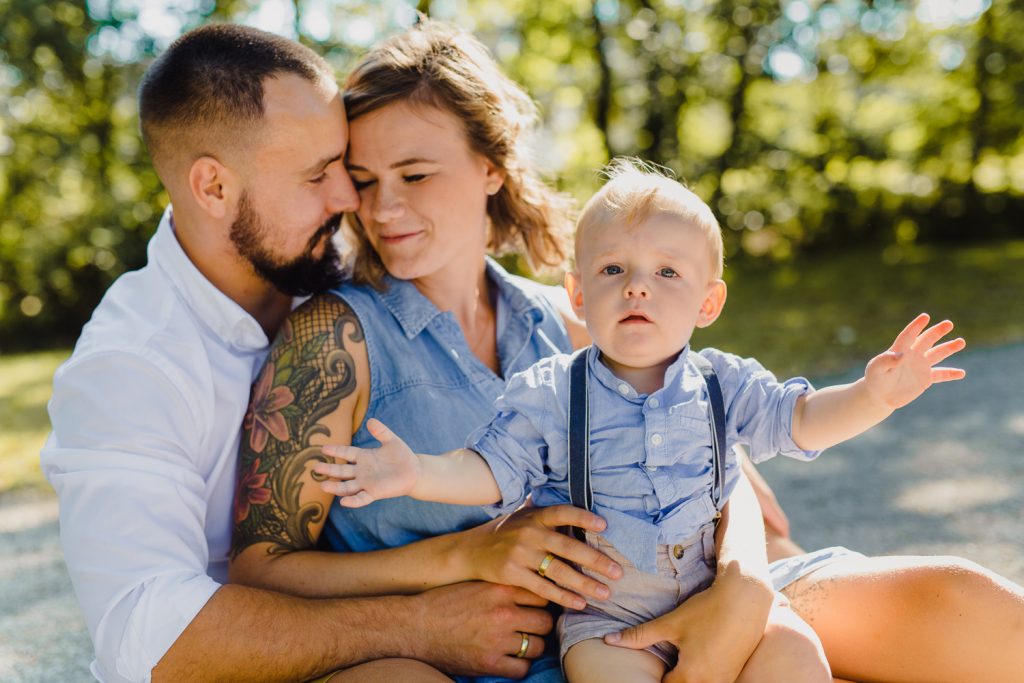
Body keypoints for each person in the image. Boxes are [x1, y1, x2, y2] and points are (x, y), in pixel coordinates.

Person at [227, 19, 1024, 683]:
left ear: (490, 168)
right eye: (364, 180)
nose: (383, 208)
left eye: (415, 173)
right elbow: (261, 566)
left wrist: (743, 586)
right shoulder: (335, 338)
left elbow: (719, 459)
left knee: (970, 604)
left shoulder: (569, 315)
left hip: (684, 591)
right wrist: (457, 561)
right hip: (543, 645)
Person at [311, 158, 972, 682]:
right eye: (613, 269)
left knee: (795, 656)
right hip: (609, 621)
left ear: (708, 302)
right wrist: (416, 472)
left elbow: (803, 421)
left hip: (715, 593)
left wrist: (872, 395)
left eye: (666, 271)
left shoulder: (724, 383)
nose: (637, 286)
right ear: (578, 294)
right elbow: (488, 469)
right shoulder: (553, 390)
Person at [40, 23, 564, 683]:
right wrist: (421, 622)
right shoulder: (130, 367)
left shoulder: (325, 256)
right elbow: (150, 641)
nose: (354, 202)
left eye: (344, 166)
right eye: (320, 174)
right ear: (214, 188)